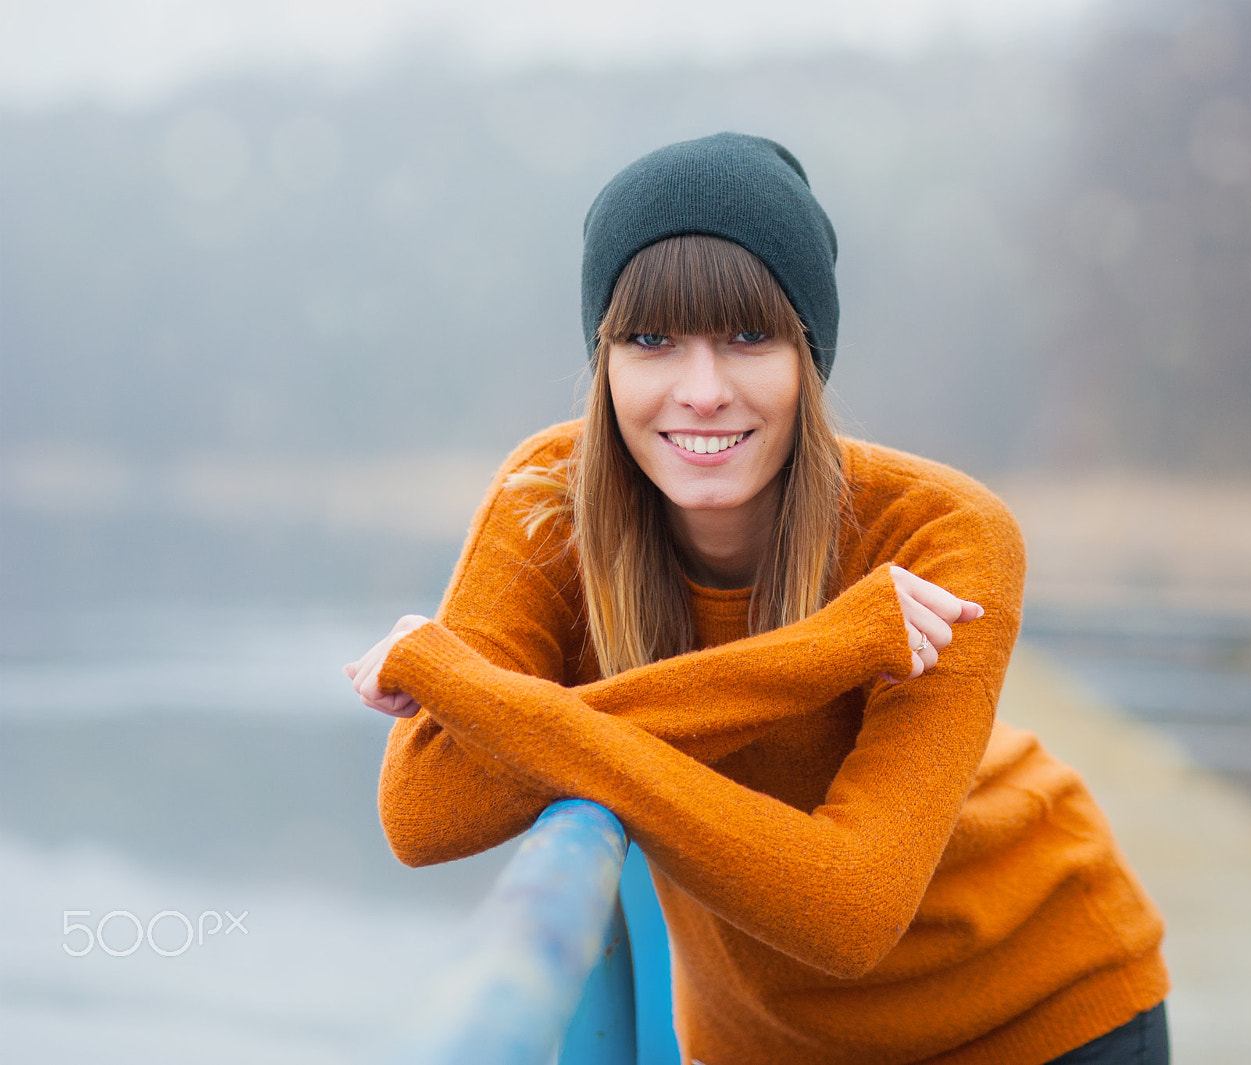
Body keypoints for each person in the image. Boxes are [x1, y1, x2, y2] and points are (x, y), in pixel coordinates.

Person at [345, 132, 1169, 1065]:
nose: (702, 390)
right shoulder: (547, 507)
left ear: (807, 359)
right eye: (651, 339)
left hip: (1030, 1010)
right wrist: (819, 653)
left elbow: (849, 909)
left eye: (748, 336)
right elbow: (424, 811)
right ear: (603, 360)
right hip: (760, 1042)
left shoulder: (942, 534)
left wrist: (478, 694)